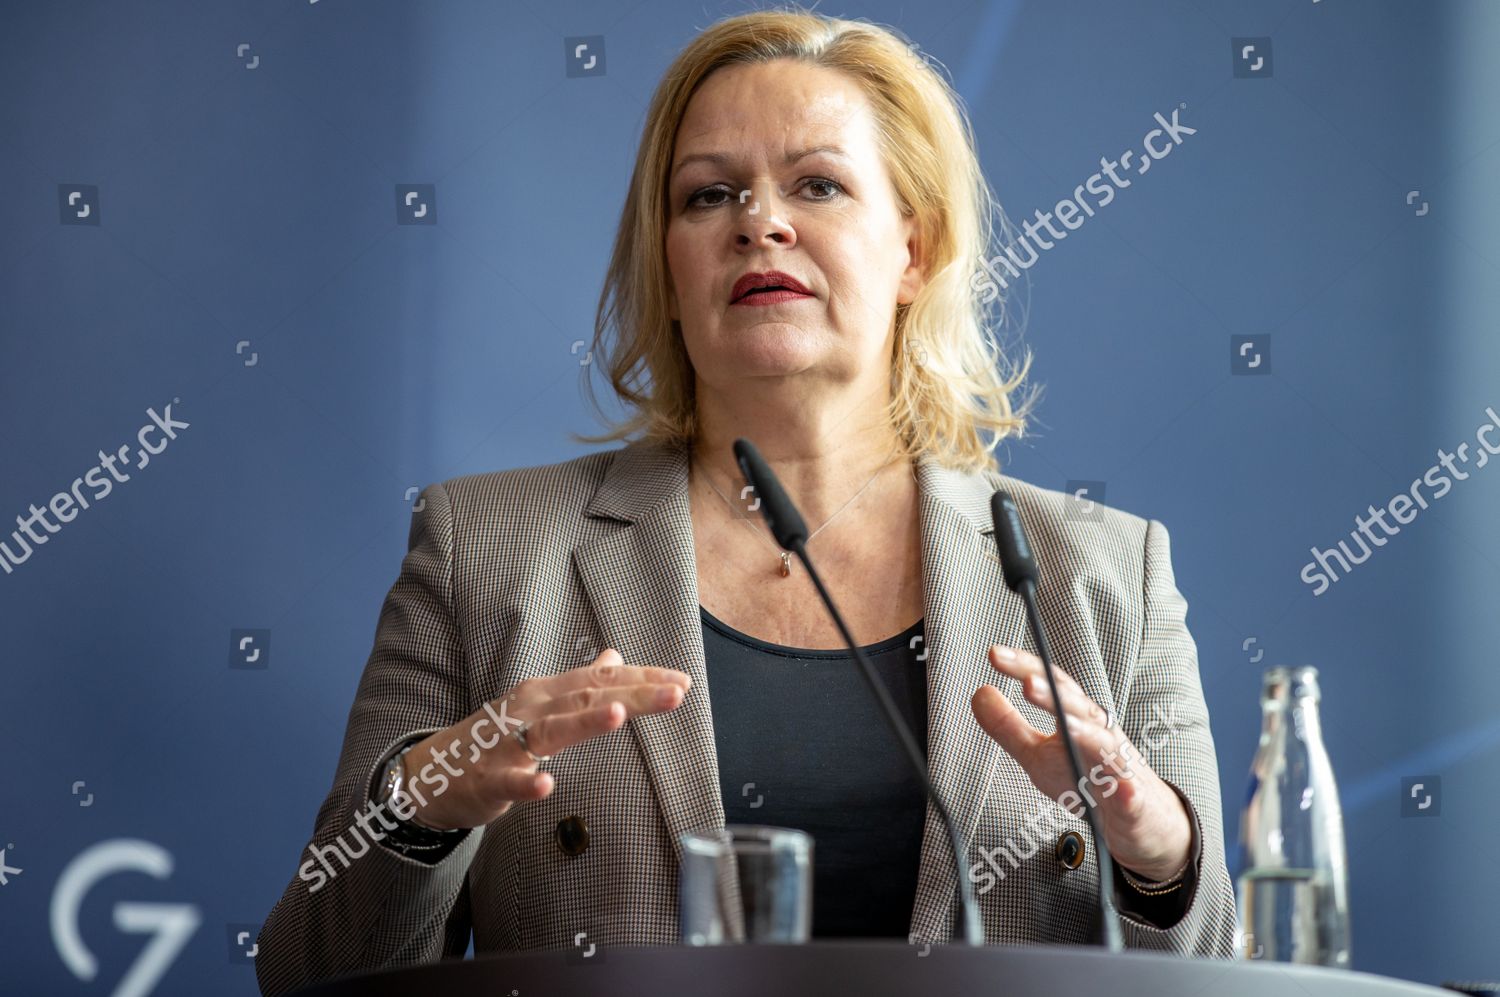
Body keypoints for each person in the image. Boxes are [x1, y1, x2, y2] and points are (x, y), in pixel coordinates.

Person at [255, 8, 1236, 994]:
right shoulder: (485, 548)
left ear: (915, 250)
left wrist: (1155, 844)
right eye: (708, 193)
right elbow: (310, 971)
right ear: (670, 271)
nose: (758, 221)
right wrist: (424, 805)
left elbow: (1221, 974)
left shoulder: (1106, 572)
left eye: (818, 184)